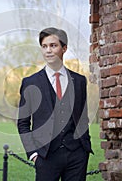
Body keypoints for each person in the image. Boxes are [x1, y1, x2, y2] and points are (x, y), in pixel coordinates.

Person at [17, 27, 93, 181]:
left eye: (53, 45)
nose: (48, 51)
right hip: (46, 157)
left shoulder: (79, 81)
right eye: (44, 46)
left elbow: (82, 118)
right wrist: (33, 154)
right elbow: (23, 123)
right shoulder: (30, 82)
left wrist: (84, 149)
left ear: (64, 48)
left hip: (77, 155)